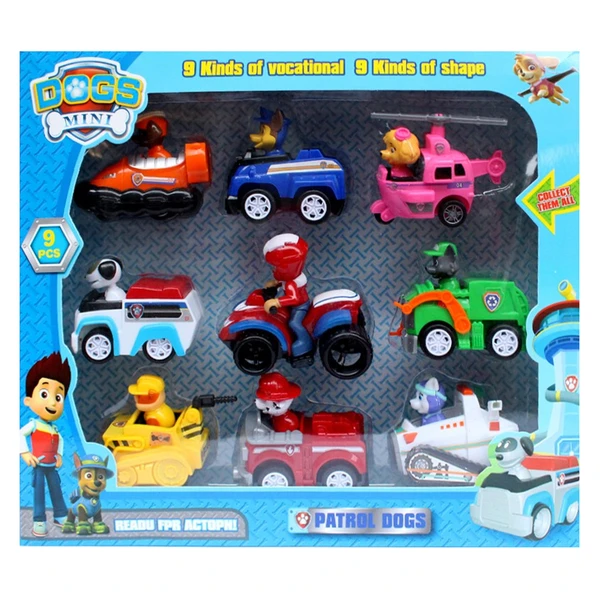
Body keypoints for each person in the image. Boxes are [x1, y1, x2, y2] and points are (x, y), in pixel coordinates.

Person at [20, 352, 71, 537]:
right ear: (28, 400)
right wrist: (25, 453)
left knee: (56, 491)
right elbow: (19, 434)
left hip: (52, 466)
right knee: (39, 494)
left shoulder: (54, 429)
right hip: (39, 465)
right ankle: (39, 521)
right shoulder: (34, 424)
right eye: (44, 394)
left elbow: (61, 441)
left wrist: (59, 455)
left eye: (58, 397)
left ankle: (61, 515)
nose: (52, 402)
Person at [263, 233, 312, 357]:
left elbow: (294, 298)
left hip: (300, 307)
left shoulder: (291, 283)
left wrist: (277, 302)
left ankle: (305, 342)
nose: (273, 270)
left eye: (276, 267)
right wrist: (275, 284)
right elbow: (283, 282)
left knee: (294, 323)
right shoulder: (289, 278)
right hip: (295, 305)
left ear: (286, 267)